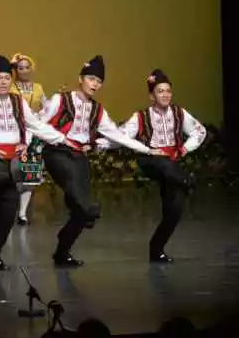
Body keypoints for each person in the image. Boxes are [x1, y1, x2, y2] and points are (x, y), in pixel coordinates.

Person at [39, 55, 165, 267]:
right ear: (81, 79)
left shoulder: (98, 110)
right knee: (84, 203)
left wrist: (148, 150)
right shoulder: (60, 99)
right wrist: (33, 144)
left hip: (79, 156)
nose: (95, 84)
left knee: (80, 212)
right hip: (57, 153)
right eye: (91, 79)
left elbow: (118, 136)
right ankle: (88, 209)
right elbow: (38, 123)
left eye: (99, 81)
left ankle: (62, 251)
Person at [0, 55, 68, 270]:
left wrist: (61, 139)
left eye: (6, 78)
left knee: (6, 211)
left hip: (12, 159)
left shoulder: (18, 101)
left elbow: (34, 125)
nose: (3, 82)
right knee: (2, 183)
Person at [104, 69, 206, 262]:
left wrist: (185, 149)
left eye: (168, 91)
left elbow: (200, 131)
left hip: (172, 164)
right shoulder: (141, 116)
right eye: (160, 91)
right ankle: (187, 180)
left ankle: (156, 249)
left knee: (174, 210)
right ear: (152, 96)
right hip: (150, 160)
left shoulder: (179, 113)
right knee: (164, 164)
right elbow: (120, 136)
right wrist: (99, 143)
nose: (165, 94)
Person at [9, 52, 49, 225]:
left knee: (30, 172)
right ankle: (9, 209)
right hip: (16, 133)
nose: (24, 71)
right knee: (13, 171)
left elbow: (47, 107)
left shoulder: (38, 88)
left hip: (34, 134)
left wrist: (40, 115)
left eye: (27, 67)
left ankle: (22, 213)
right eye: (20, 68)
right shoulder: (10, 86)